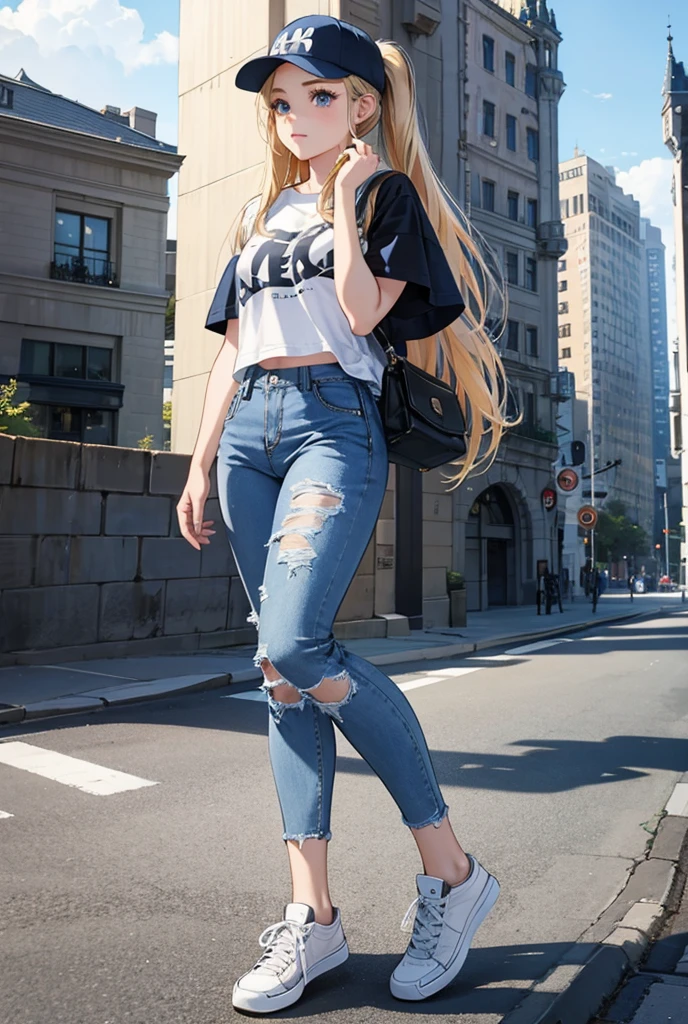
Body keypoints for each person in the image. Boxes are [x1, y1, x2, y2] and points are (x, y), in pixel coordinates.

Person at [177, 14, 509, 1013]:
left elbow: (363, 315)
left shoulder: (384, 196)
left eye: (318, 96)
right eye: (282, 99)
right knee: (279, 673)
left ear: (363, 106)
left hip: (332, 425)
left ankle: (452, 876)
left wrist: (354, 200)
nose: (294, 115)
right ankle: (313, 919)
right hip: (250, 439)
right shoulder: (258, 215)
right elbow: (232, 347)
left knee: (298, 646)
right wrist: (197, 464)